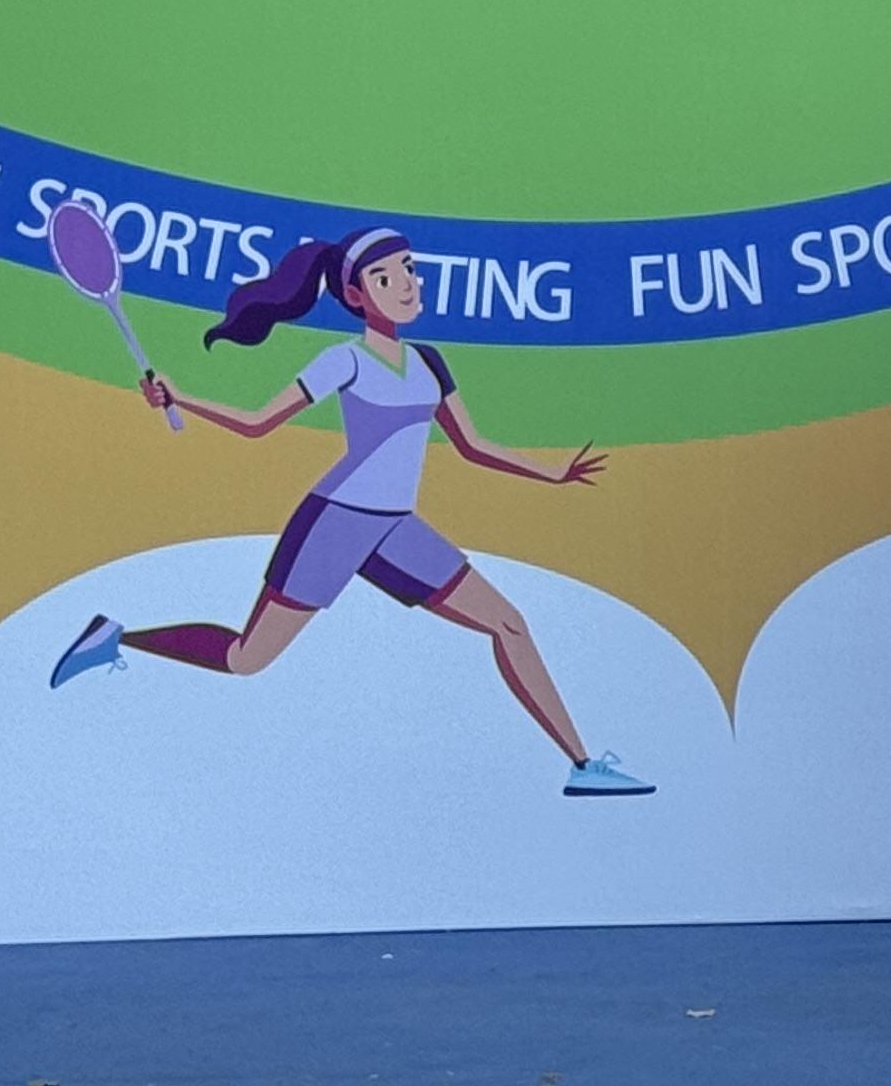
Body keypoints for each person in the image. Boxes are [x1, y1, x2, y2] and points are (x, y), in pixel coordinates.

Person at [46, 227, 649, 799]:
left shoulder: (429, 362)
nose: (406, 283)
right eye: (386, 277)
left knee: (509, 623)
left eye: (409, 268)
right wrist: (180, 398)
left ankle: (583, 767)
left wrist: (551, 473)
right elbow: (258, 423)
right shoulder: (345, 361)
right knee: (246, 659)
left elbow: (471, 445)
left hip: (396, 527)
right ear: (357, 297)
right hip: (335, 523)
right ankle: (116, 636)